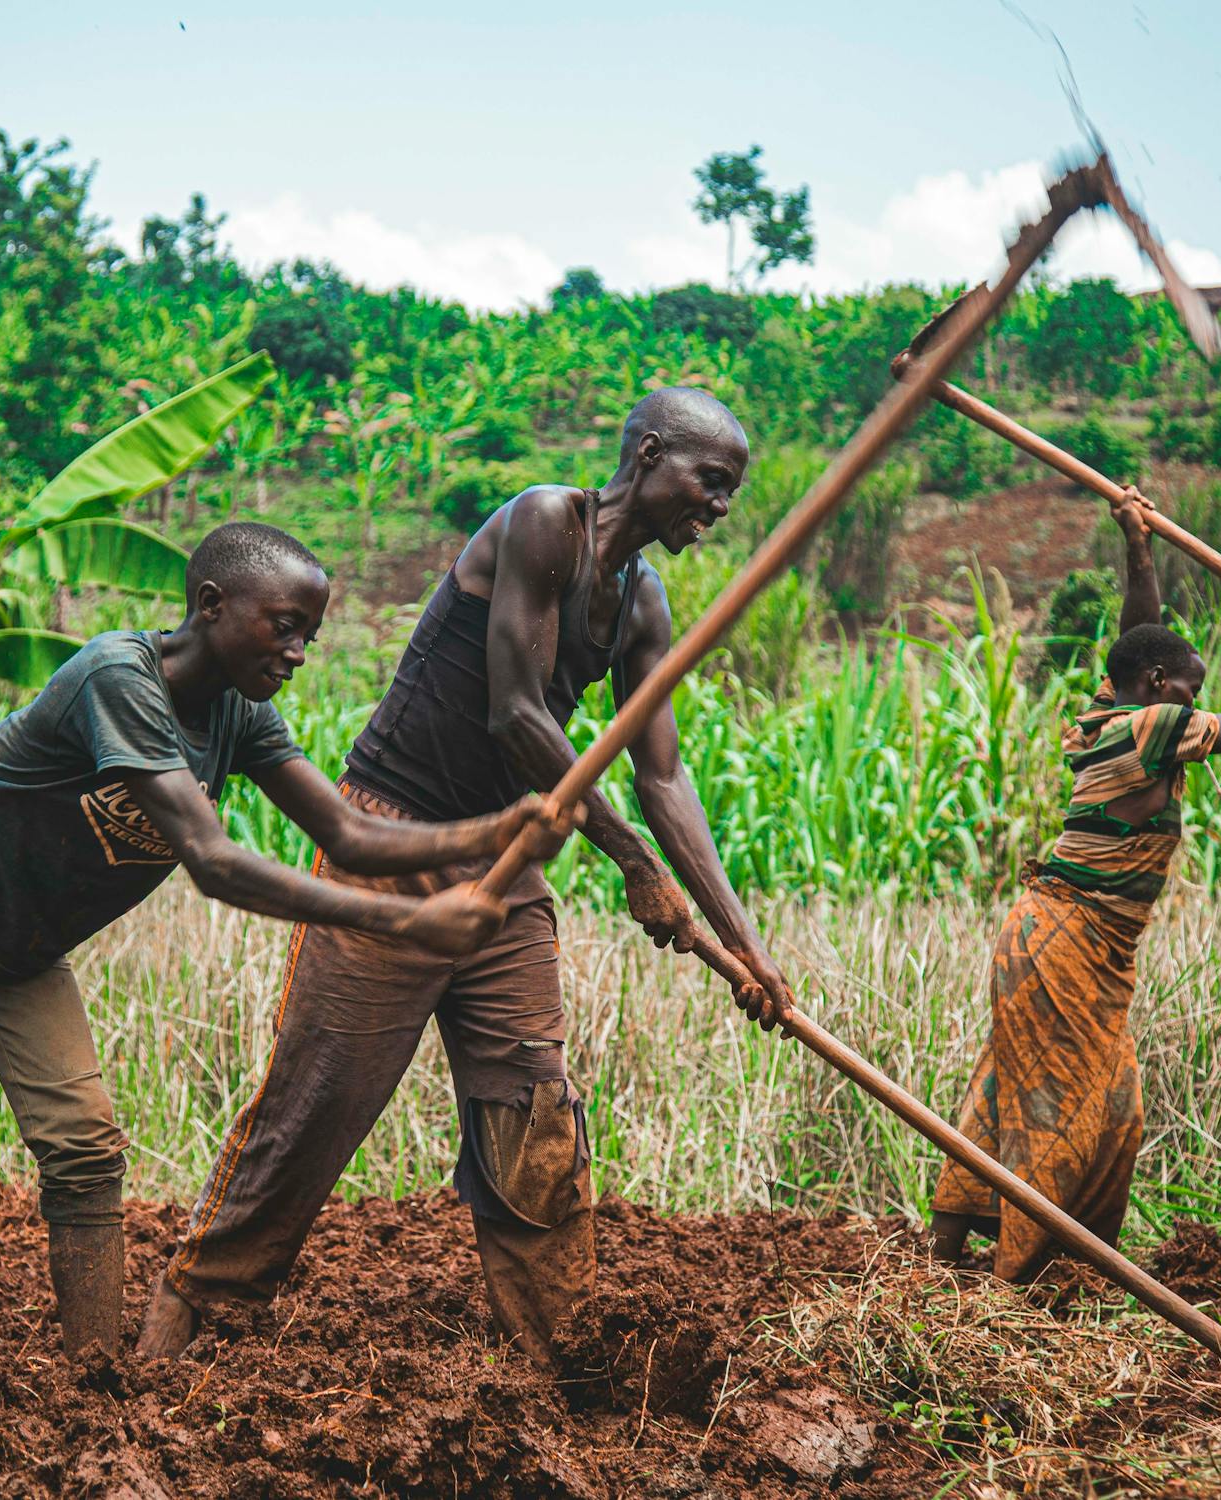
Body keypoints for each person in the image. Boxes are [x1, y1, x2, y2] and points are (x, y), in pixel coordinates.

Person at [0, 521, 573, 1396]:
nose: (298, 652)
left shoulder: (238, 715)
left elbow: (347, 830)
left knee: (87, 1152)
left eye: (309, 635)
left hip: (13, 939)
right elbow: (214, 862)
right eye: (283, 626)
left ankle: (94, 1400)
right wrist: (409, 924)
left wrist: (493, 830)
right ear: (211, 606)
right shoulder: (116, 679)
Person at [139, 388, 799, 1364]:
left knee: (534, 1114)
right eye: (710, 481)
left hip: (508, 871)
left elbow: (661, 771)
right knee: (316, 1104)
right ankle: (180, 1340)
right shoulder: (541, 523)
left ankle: (550, 1363)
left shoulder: (644, 604)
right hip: (392, 848)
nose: (720, 507)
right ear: (649, 452)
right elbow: (518, 717)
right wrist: (630, 864)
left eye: (733, 493)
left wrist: (746, 946)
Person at [928, 492, 1221, 1281]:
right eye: (1188, 687)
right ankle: (1005, 1292)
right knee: (1063, 1106)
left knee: (1076, 1096)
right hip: (1067, 942)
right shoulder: (1150, 726)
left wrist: (1138, 549)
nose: (1195, 703)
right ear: (1157, 686)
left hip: (1057, 939)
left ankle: (954, 1254)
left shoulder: (1112, 715)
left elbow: (1133, 639)